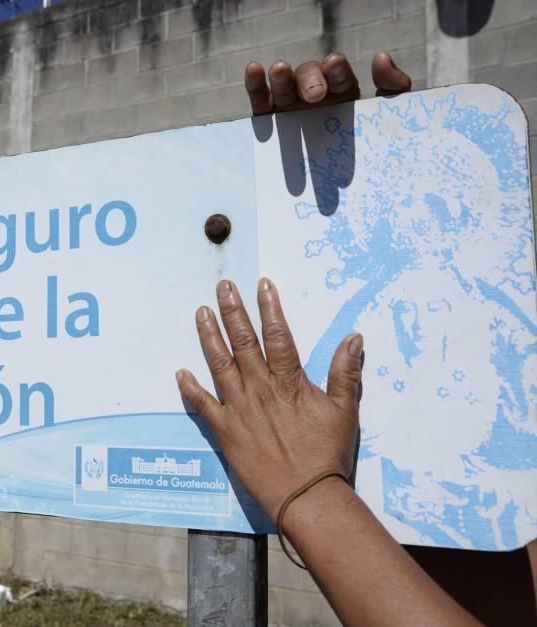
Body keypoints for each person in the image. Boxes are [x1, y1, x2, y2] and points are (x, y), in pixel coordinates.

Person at [178, 51, 535, 624]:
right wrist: (357, 185)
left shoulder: (504, 333)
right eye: (408, 203)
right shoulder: (373, 305)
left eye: (438, 203)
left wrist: (307, 489)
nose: (421, 221)